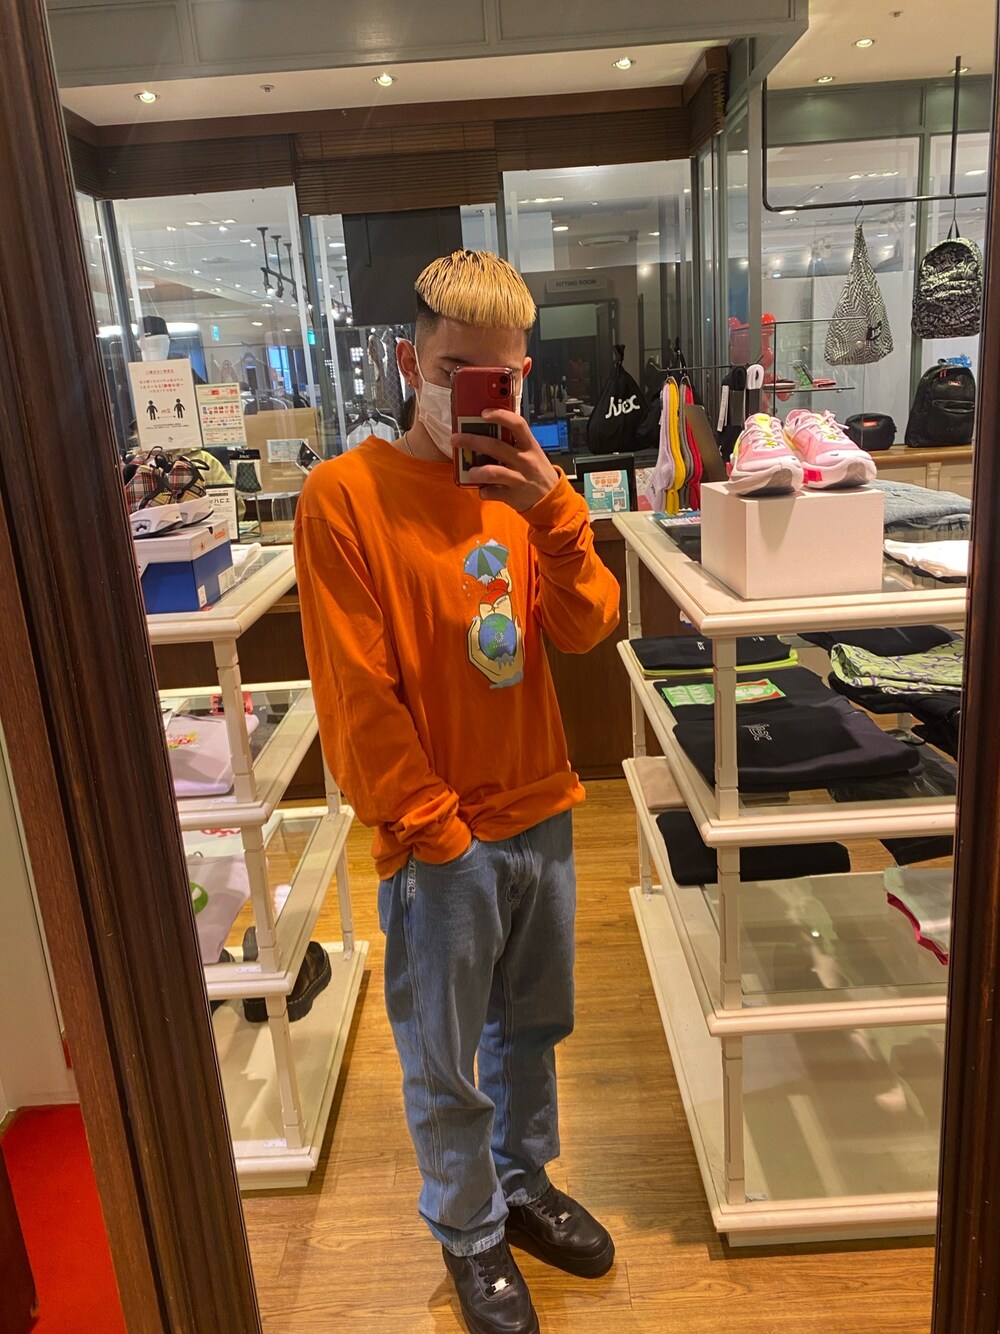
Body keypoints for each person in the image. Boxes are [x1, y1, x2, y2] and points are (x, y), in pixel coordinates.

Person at [294, 250, 620, 1334]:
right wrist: (436, 832)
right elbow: (357, 694)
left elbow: (588, 624)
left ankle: (521, 1184)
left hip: (544, 811)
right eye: (453, 371)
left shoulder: (525, 489)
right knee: (445, 1059)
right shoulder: (344, 497)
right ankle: (470, 1230)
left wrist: (553, 506)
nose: (478, 396)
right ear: (408, 361)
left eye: (503, 378)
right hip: (441, 838)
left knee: (533, 1031)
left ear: (523, 374)